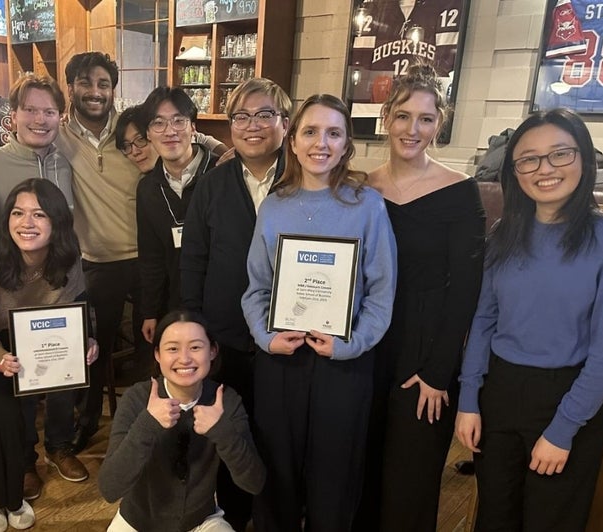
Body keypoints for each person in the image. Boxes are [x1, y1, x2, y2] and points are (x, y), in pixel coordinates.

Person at [241, 94, 397, 531]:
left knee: (335, 478)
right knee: (277, 475)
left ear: (346, 145)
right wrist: (265, 337)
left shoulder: (367, 205)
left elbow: (382, 292)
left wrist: (352, 344)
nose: (321, 143)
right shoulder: (274, 206)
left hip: (343, 363)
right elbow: (256, 288)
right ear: (292, 141)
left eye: (333, 133)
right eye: (310, 131)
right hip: (282, 358)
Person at [455, 108, 603, 531]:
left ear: (584, 159)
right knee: (494, 516)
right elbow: (484, 321)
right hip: (500, 392)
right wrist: (469, 400)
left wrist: (563, 429)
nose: (545, 169)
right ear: (514, 170)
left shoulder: (602, 239)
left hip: (570, 396)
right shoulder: (503, 234)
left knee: (550, 519)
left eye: (560, 154)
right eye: (529, 159)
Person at [353, 64, 485, 532]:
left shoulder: (461, 191)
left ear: (439, 125)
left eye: (426, 119)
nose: (413, 129)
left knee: (411, 481)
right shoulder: (362, 188)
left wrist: (438, 372)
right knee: (362, 474)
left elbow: (466, 290)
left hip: (426, 351)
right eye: (404, 116)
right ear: (386, 118)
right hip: (366, 349)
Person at [0, 178, 98, 531]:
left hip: (47, 329)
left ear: (57, 222)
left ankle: (58, 446)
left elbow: (79, 306)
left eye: (39, 214)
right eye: (17, 213)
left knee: (65, 371)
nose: (27, 223)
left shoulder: (68, 257)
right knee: (19, 384)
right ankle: (25, 460)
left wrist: (87, 339)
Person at [180, 76, 291, 531]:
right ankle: (232, 516)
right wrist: (194, 327)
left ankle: (277, 516)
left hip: (288, 335)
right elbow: (194, 258)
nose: (252, 125)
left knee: (278, 435)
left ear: (285, 123)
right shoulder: (212, 185)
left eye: (265, 115)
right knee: (228, 431)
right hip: (226, 333)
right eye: (241, 117)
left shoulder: (305, 178)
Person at [55, 52, 150, 449]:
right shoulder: (57, 136)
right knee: (94, 348)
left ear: (113, 90)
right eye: (85, 82)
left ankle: (148, 424)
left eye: (103, 84)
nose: (95, 92)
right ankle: (88, 420)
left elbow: (184, 134)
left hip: (149, 258)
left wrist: (219, 147)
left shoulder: (132, 129)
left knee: (152, 346)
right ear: (71, 88)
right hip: (97, 262)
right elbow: (20, 144)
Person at [98, 309, 265, 532]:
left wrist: (223, 431)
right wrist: (147, 424)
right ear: (157, 354)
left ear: (212, 351)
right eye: (172, 349)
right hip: (138, 523)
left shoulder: (225, 400)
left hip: (200, 522)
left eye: (195, 347)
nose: (185, 358)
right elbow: (109, 488)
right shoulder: (137, 398)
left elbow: (254, 482)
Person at [136, 86, 219, 344]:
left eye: (178, 121)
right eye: (158, 123)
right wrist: (150, 312)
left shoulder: (221, 173)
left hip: (223, 303)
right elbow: (151, 257)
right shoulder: (148, 188)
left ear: (193, 127)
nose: (169, 131)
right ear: (148, 134)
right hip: (175, 305)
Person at [0, 72, 74, 220]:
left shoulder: (65, 164)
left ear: (60, 118)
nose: (40, 120)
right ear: (14, 116)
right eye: (30, 110)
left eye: (49, 112)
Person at [116, 104, 229, 176]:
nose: (135, 152)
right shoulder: (146, 187)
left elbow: (200, 137)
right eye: (126, 146)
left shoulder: (202, 172)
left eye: (140, 140)